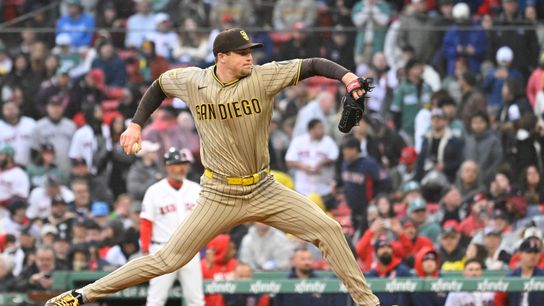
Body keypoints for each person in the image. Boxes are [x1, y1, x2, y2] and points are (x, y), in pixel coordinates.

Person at [46, 28, 380, 306]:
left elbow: (311, 64)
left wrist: (347, 77)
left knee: (329, 229)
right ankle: (81, 295)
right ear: (222, 57)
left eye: (251, 51)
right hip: (220, 193)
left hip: (264, 188)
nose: (250, 57)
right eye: (242, 52)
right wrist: (135, 125)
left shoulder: (262, 77)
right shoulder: (193, 81)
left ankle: (369, 304)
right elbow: (160, 85)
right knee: (167, 259)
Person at [139, 147, 204, 306]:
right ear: (167, 166)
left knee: (196, 299)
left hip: (190, 250)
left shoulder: (196, 189)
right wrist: (146, 251)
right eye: (176, 164)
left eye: (184, 163)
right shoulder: (154, 191)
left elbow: (204, 222)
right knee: (155, 300)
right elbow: (146, 222)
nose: (181, 168)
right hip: (162, 250)